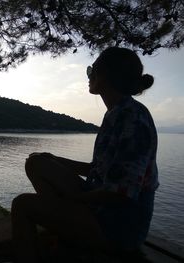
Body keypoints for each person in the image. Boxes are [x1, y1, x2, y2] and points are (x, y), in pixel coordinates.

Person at [11, 47, 159, 263]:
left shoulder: (133, 120)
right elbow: (97, 169)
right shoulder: (116, 114)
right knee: (36, 163)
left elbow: (121, 194)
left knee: (23, 205)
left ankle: (58, 234)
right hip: (99, 206)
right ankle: (67, 228)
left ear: (106, 76)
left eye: (92, 71)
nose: (89, 76)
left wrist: (72, 200)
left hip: (118, 226)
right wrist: (53, 159)